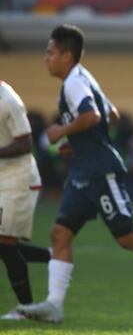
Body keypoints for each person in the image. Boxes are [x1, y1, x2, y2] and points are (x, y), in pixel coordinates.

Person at [17, 24, 133, 323]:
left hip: (101, 170)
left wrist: (61, 132)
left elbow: (92, 116)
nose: (46, 58)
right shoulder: (81, 77)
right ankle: (54, 304)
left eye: (50, 53)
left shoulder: (73, 83)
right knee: (59, 233)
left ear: (67, 55)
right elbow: (112, 114)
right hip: (84, 169)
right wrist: (79, 144)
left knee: (126, 237)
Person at [0, 81, 52, 320]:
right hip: (2, 178)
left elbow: (25, 142)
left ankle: (26, 308)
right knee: (3, 243)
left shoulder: (8, 100)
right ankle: (55, 258)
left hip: (18, 179)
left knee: (5, 243)